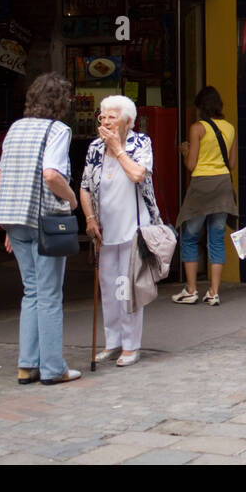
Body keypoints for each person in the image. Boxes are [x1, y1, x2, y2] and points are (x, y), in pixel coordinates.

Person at [0, 72, 82, 386]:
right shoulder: (57, 130)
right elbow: (51, 174)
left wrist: (7, 227)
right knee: (48, 295)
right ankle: (53, 368)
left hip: (13, 218)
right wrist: (72, 199)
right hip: (45, 219)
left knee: (30, 292)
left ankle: (27, 364)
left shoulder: (15, 129)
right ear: (60, 102)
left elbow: (3, 176)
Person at [81, 95, 158, 366]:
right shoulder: (94, 148)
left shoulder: (140, 143)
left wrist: (117, 148)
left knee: (127, 289)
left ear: (128, 121)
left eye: (111, 117)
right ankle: (112, 341)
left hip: (133, 229)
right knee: (108, 287)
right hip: (105, 230)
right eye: (102, 117)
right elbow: (85, 187)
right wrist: (90, 218)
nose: (105, 121)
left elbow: (138, 174)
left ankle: (130, 345)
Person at [173, 86, 237, 306]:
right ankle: (214, 291)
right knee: (216, 239)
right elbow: (232, 164)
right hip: (223, 186)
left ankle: (191, 290)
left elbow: (191, 165)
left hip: (201, 185)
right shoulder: (229, 128)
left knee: (190, 236)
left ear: (200, 107)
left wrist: (184, 151)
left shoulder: (197, 128)